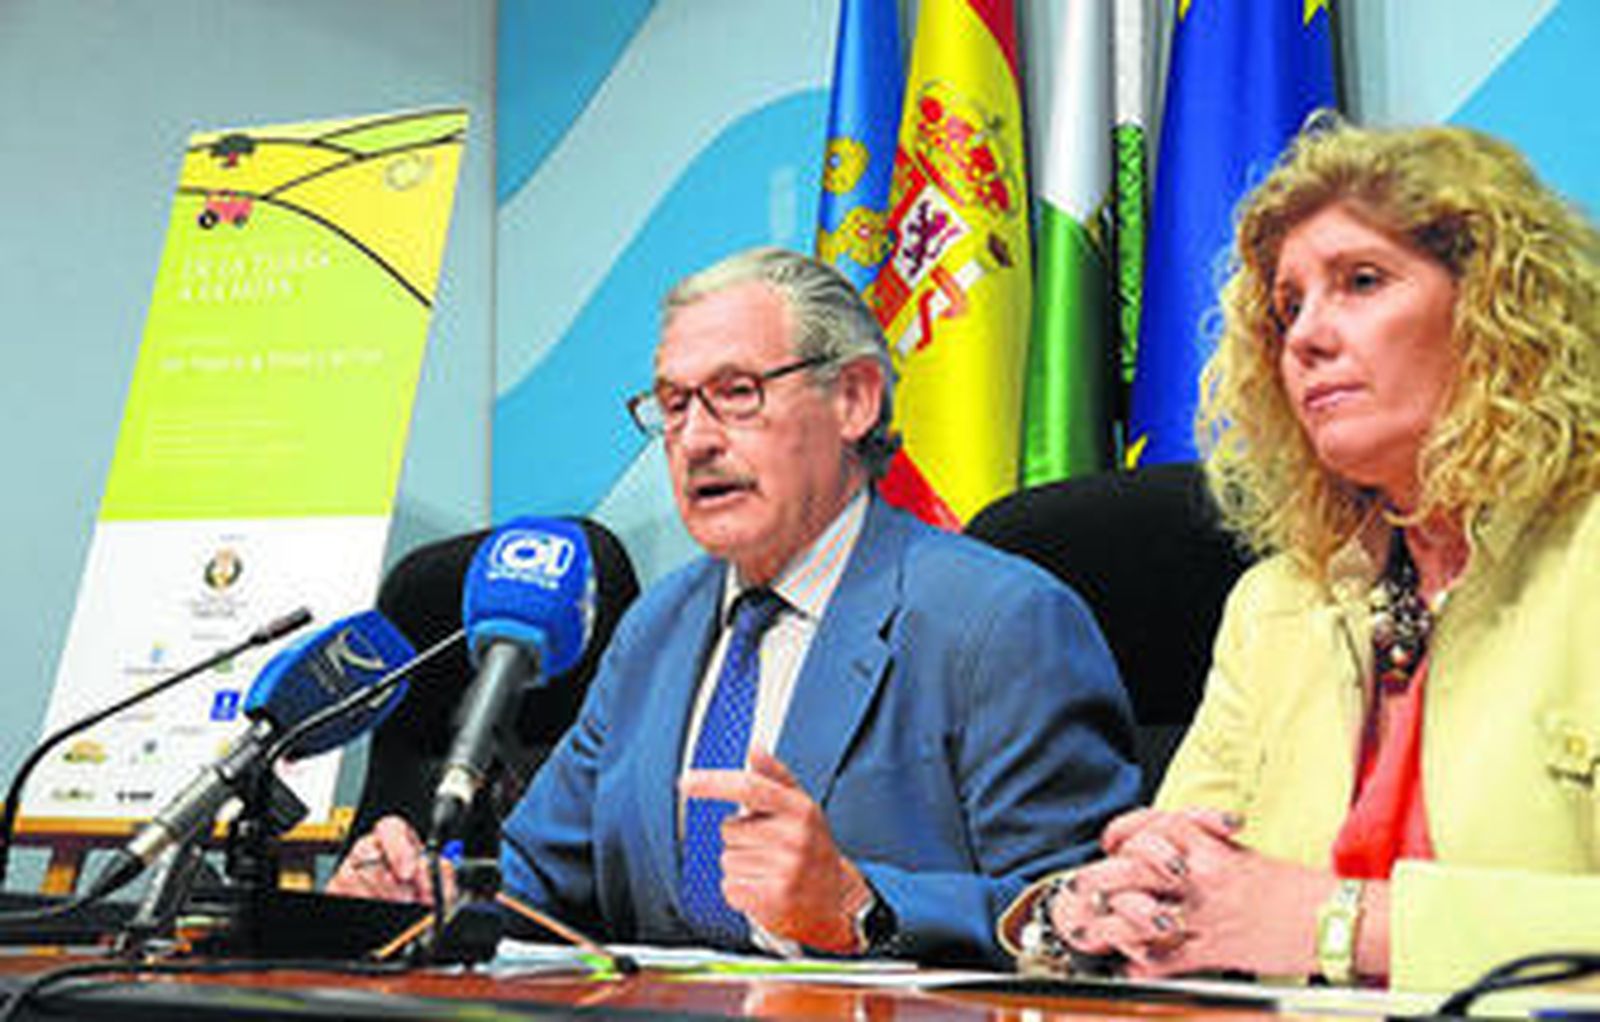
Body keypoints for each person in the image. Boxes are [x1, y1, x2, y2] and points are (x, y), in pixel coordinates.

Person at [333, 247, 1140, 966]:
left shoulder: (999, 622)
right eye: (673, 404)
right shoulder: (656, 628)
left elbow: (1079, 920)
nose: (695, 439)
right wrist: (429, 895)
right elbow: (540, 880)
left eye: (735, 392)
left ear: (855, 399)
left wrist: (861, 906)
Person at [1002, 119, 1600, 991]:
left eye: (1361, 282)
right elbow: (1185, 880)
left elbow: (1281, 917)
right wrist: (1102, 908)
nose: (1308, 338)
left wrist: (1331, 924)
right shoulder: (1276, 605)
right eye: (1288, 308)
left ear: (1498, 310)